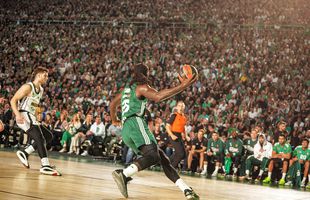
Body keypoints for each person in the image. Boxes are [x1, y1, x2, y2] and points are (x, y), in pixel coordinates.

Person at [110, 64, 199, 199]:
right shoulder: (142, 87)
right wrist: (183, 85)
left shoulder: (126, 90)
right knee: (153, 156)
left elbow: (112, 105)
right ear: (146, 73)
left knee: (162, 158)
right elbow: (158, 97)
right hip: (136, 123)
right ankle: (124, 173)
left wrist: (114, 120)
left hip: (127, 130)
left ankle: (186, 189)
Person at [10, 67, 61, 176]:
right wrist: (18, 114)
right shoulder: (28, 87)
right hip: (24, 115)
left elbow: (34, 104)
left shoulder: (41, 89)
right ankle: (45, 165)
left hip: (31, 116)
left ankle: (25, 152)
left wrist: (37, 114)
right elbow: (13, 100)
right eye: (45, 75)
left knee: (48, 136)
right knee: (40, 137)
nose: (47, 78)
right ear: (38, 75)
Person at [166, 101, 187, 168]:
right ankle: (171, 168)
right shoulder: (174, 115)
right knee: (180, 154)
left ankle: (166, 162)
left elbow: (183, 127)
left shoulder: (184, 117)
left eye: (182, 106)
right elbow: (167, 126)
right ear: (177, 107)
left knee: (183, 155)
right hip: (173, 134)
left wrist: (185, 135)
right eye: (179, 106)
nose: (180, 107)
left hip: (179, 135)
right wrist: (172, 135)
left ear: (184, 108)